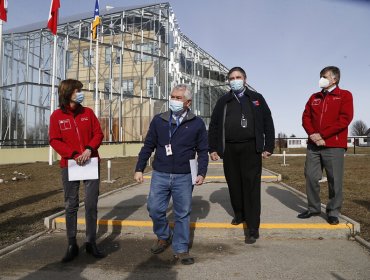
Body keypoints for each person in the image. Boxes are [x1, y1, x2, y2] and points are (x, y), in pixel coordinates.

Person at [134, 84, 208, 265]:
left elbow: (203, 150)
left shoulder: (197, 123)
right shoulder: (159, 120)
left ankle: (181, 248)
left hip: (184, 175)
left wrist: (202, 172)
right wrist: (139, 168)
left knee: (182, 213)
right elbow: (148, 146)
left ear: (188, 102)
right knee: (154, 208)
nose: (173, 100)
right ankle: (164, 235)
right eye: (172, 97)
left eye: (178, 98)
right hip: (160, 173)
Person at [208, 66, 275, 244]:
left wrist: (268, 145)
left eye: (238, 77)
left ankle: (253, 227)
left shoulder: (256, 98)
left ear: (245, 79)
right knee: (234, 184)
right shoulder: (223, 101)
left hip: (251, 148)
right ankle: (239, 214)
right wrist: (213, 148)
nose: (234, 80)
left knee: (251, 186)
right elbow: (214, 125)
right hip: (229, 149)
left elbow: (268, 121)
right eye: (231, 78)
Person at [49, 79, 105, 262]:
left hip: (90, 163)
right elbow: (55, 140)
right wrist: (73, 154)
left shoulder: (88, 113)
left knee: (90, 204)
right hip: (70, 165)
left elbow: (98, 133)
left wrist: (89, 149)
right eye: (77, 90)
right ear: (67, 93)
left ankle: (91, 242)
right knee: (71, 205)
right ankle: (72, 244)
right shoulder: (56, 116)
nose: (80, 93)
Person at [298, 66, 353, 225]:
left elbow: (345, 119)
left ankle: (333, 211)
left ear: (334, 79)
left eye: (324, 76)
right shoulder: (314, 97)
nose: (321, 79)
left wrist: (323, 135)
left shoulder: (345, 95)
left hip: (334, 145)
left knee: (334, 180)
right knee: (310, 176)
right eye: (320, 76)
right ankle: (313, 208)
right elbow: (306, 117)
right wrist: (313, 135)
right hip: (314, 145)